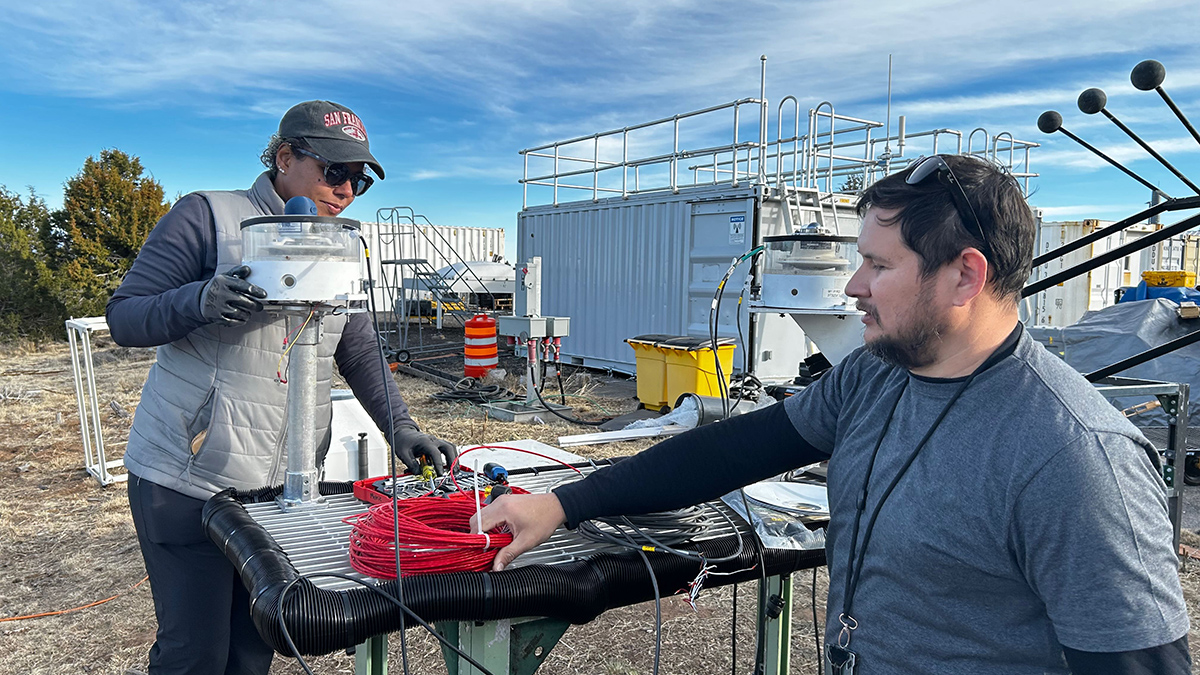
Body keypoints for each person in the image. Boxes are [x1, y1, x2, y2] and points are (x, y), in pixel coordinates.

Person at [475, 154, 1190, 674]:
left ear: (965, 275)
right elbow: (731, 450)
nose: (853, 285)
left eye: (879, 265)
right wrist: (563, 504)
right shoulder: (875, 376)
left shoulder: (1074, 458)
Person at [108, 100, 456, 675]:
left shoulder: (343, 244)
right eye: (334, 170)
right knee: (195, 653)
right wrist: (198, 300)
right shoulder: (209, 218)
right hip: (186, 479)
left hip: (278, 492)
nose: (346, 190)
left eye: (358, 180)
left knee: (254, 648)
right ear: (286, 156)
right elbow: (125, 317)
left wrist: (402, 428)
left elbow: (359, 348)